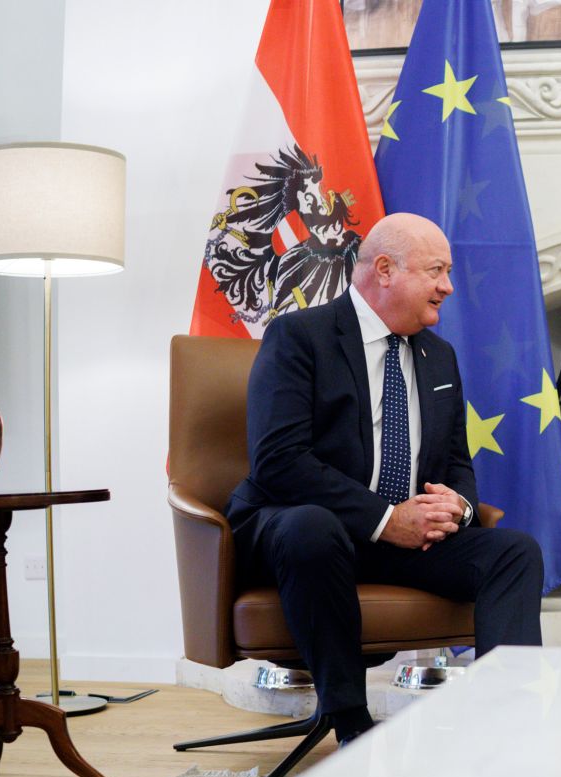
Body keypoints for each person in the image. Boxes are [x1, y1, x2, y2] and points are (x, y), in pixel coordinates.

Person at [227, 212, 544, 744]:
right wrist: (385, 519)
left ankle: (505, 727)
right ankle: (350, 720)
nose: (448, 286)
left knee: (514, 553)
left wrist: (457, 508)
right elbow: (279, 462)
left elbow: (456, 462)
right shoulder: (299, 337)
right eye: (437, 270)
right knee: (312, 526)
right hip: (297, 528)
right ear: (385, 269)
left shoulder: (438, 357)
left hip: (396, 537)